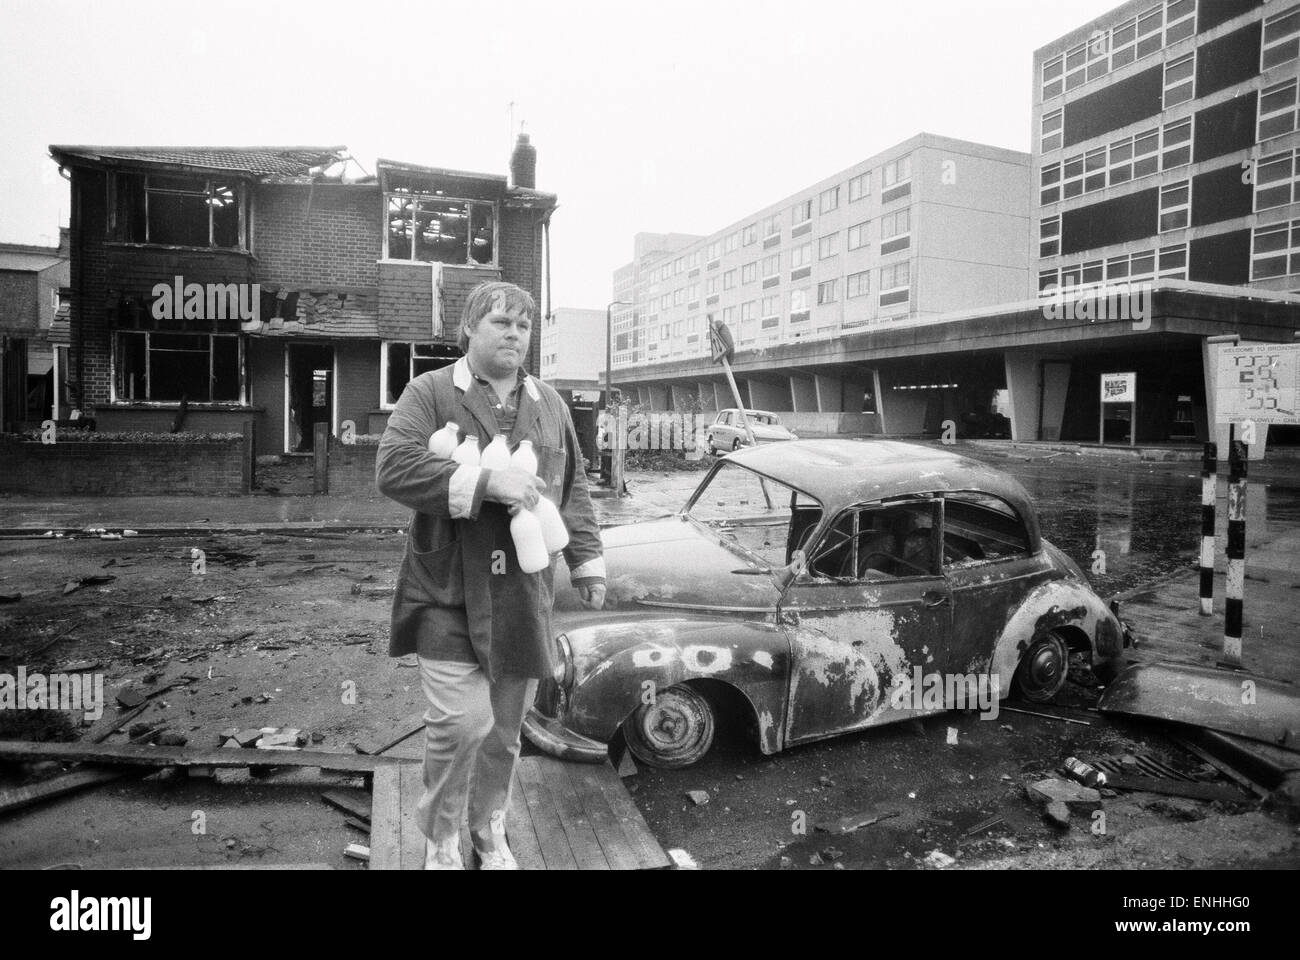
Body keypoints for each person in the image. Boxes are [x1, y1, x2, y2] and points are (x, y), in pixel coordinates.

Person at [375, 281, 605, 870]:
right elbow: (394, 467)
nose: (513, 334)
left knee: (505, 731)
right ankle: (442, 835)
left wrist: (585, 561)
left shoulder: (549, 403)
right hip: (446, 591)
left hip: (521, 596)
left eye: (523, 326)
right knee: (462, 724)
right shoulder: (429, 391)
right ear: (470, 329)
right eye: (500, 322)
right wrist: (484, 484)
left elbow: (572, 488)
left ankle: (489, 828)